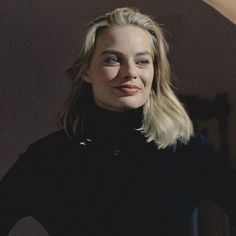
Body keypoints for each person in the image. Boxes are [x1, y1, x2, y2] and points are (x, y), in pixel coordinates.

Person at [0, 7, 236, 236]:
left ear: (155, 72)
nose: (130, 72)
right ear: (87, 71)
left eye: (142, 61)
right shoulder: (48, 158)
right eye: (113, 59)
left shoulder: (188, 151)